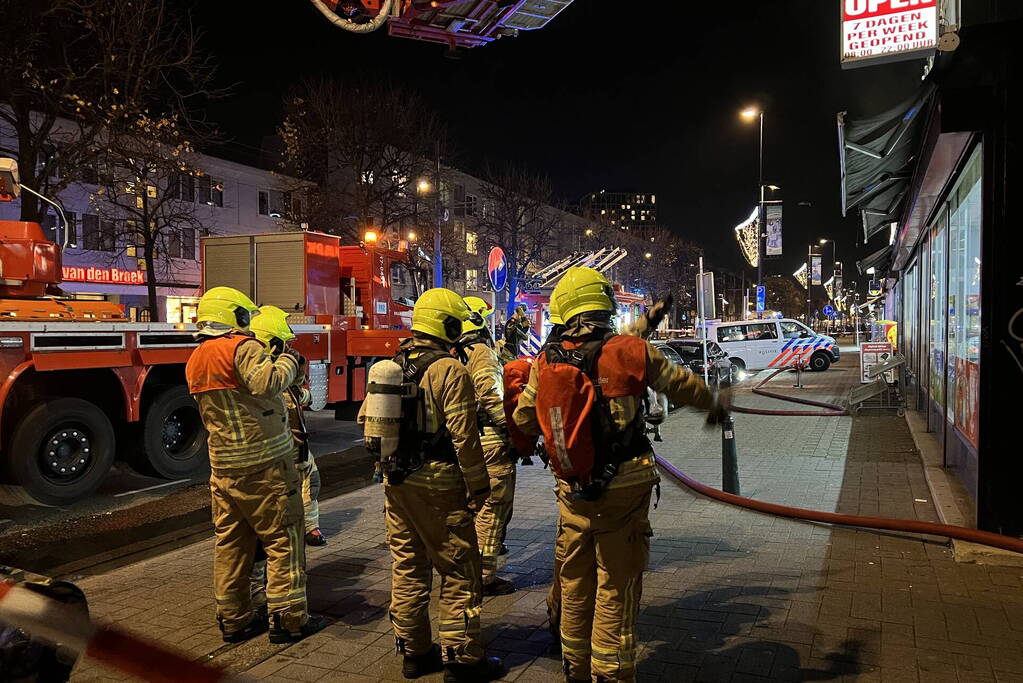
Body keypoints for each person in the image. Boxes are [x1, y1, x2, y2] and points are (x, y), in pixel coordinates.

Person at [514, 269, 727, 683]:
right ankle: (611, 674)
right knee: (616, 584)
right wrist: (713, 404)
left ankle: (575, 666)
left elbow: (524, 419)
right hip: (626, 484)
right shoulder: (628, 351)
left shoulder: (547, 358)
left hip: (572, 487)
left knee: (575, 580)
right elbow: (680, 385)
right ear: (604, 306)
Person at [359, 288, 503, 683]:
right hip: (439, 483)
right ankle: (461, 660)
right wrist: (479, 489)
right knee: (458, 569)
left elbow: (365, 421)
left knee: (408, 567)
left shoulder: (393, 364)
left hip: (397, 483)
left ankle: (415, 653)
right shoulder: (449, 369)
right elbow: (465, 437)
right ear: (449, 325)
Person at [184, 287, 324, 645]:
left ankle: (234, 619)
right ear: (236, 316)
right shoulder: (241, 347)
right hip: (265, 465)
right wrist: (290, 360)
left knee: (231, 544)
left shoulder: (197, 356)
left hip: (224, 468)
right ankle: (289, 620)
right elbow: (267, 383)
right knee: (284, 539)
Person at [460, 296, 517, 597]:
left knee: (469, 508)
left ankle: (463, 569)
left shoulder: (453, 350)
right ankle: (484, 576)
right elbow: (490, 395)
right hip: (489, 440)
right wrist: (514, 427)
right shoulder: (480, 352)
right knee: (491, 509)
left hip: (462, 441)